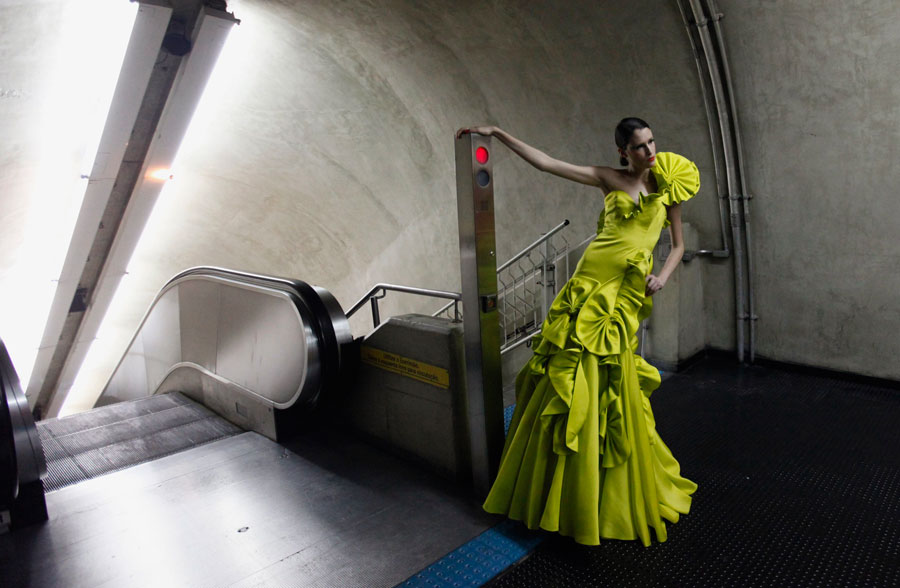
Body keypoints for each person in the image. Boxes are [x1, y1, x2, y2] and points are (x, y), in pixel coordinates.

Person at [456, 118, 699, 547]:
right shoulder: (609, 178)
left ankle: (600, 490)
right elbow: (548, 164)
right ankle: (558, 489)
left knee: (611, 386)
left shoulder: (669, 185)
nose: (650, 152)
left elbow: (677, 244)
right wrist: (498, 134)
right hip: (589, 286)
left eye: (652, 142)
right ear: (623, 152)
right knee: (566, 379)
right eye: (639, 147)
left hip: (621, 297)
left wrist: (662, 276)